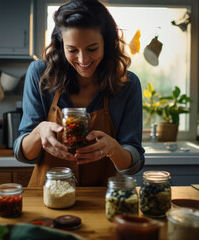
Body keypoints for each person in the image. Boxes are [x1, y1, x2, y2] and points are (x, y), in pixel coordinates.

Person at [14, 0, 144, 187]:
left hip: (102, 202)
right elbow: (24, 155)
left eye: (92, 48)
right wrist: (39, 132)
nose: (83, 59)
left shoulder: (127, 84)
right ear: (61, 45)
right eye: (72, 50)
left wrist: (113, 148)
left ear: (106, 43)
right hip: (47, 196)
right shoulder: (40, 74)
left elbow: (133, 164)